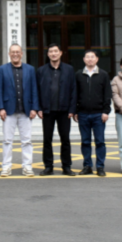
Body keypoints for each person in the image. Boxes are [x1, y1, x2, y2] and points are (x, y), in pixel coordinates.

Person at [0, 44, 39, 178]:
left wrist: (34, 108)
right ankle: (6, 167)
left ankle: (27, 166)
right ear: (9, 54)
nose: (15, 54)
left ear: (22, 54)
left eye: (17, 52)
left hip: (26, 111)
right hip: (8, 111)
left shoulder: (30, 69)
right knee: (7, 141)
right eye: (13, 52)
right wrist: (0, 108)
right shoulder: (2, 69)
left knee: (26, 141)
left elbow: (34, 89)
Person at [36, 44, 77, 176]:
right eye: (51, 52)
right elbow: (37, 90)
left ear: (60, 53)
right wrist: (38, 108)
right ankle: (48, 166)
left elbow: (73, 90)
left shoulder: (69, 69)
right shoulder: (41, 70)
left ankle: (66, 166)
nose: (53, 54)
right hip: (47, 110)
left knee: (65, 139)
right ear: (48, 54)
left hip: (64, 111)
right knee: (47, 139)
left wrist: (72, 109)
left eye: (55, 51)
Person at [74, 50, 112, 177]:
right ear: (84, 59)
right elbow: (75, 94)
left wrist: (106, 111)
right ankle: (87, 166)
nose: (90, 59)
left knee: (100, 142)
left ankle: (100, 166)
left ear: (97, 59)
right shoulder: (79, 74)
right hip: (83, 114)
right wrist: (75, 111)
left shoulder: (103, 74)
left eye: (92, 57)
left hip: (98, 114)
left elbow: (107, 94)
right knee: (85, 142)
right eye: (87, 57)